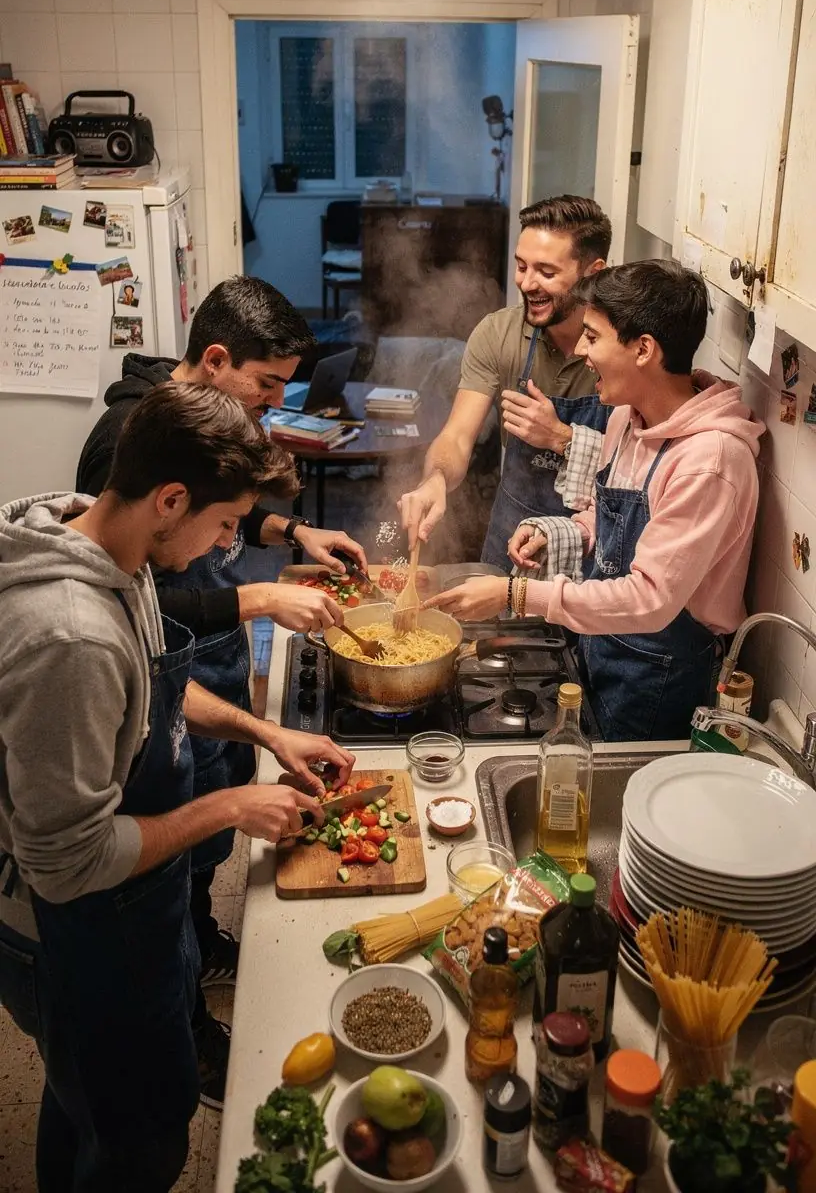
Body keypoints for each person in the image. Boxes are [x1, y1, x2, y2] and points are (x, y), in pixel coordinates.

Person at [0, 382, 353, 1193]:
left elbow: (153, 690)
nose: (228, 544)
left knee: (83, 1105)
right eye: (226, 525)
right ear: (169, 499)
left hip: (139, 907)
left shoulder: (109, 543)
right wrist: (231, 805)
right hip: (76, 930)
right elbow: (67, 860)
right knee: (136, 1142)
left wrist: (265, 733)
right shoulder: (69, 638)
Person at [76, 275, 365, 1099]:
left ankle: (202, 946)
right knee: (169, 866)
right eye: (267, 384)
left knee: (198, 865)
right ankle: (188, 1028)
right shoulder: (123, 442)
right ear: (213, 359)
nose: (275, 403)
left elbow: (217, 506)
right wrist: (261, 595)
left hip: (204, 680)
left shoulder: (198, 428)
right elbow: (146, 604)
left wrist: (293, 529)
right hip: (170, 678)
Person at [424, 261, 764, 742]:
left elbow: (649, 600)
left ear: (643, 349)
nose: (581, 351)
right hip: (601, 649)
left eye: (592, 336)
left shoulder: (709, 461)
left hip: (659, 678)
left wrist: (514, 594)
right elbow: (606, 513)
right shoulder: (628, 416)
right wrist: (565, 528)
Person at [398, 195, 613, 570]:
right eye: (521, 266)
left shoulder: (621, 346)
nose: (527, 283)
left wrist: (561, 438)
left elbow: (640, 467)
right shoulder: (498, 333)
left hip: (593, 547)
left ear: (592, 273)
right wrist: (435, 479)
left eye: (546, 272)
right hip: (511, 538)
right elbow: (457, 436)